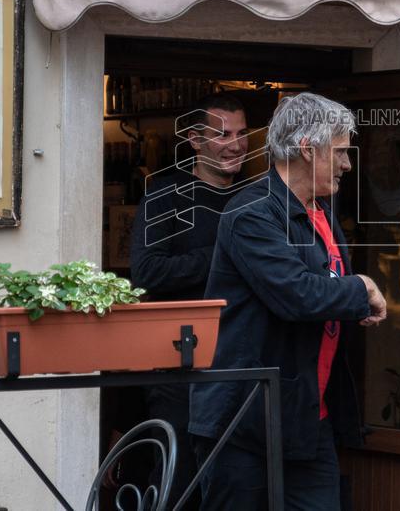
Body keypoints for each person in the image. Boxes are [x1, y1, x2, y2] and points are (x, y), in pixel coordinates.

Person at [189, 92, 388, 510]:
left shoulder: (319, 211)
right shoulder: (251, 214)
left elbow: (321, 287)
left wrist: (349, 293)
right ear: (307, 149)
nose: (347, 165)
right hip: (241, 424)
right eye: (340, 153)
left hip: (305, 420)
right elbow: (297, 294)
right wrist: (362, 288)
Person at [126, 93, 250, 510]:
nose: (235, 143)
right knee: (177, 488)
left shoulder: (256, 199)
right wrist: (223, 254)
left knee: (235, 488)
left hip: (242, 366)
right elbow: (147, 273)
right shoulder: (166, 196)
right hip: (179, 368)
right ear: (196, 141)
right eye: (222, 134)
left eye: (241, 133)